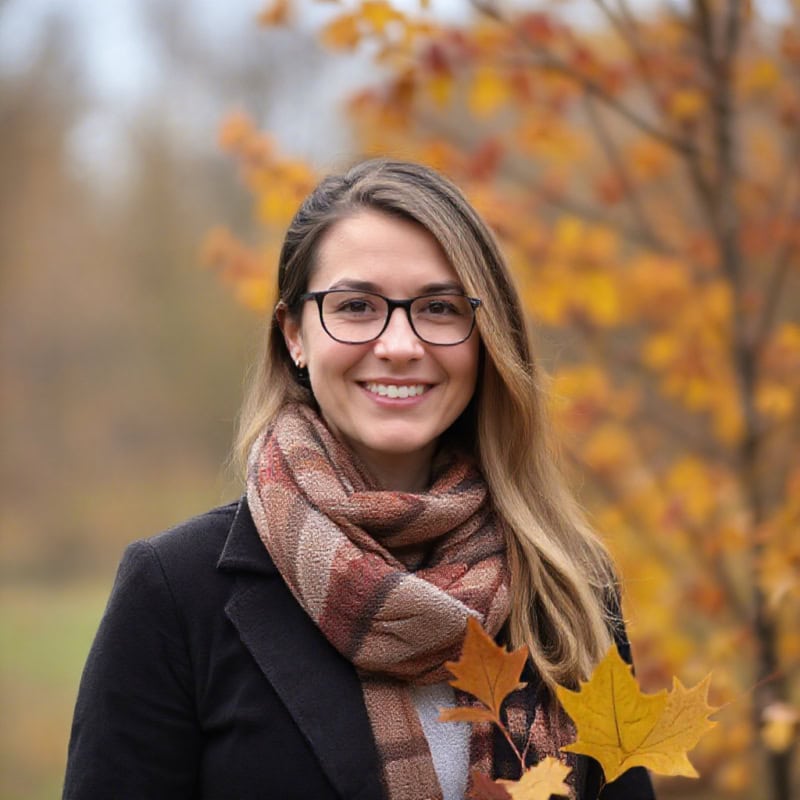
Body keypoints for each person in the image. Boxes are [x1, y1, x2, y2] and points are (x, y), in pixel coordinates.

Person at [63, 159, 655, 800]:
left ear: (484, 337)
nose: (400, 343)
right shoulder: (176, 592)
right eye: (355, 306)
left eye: (438, 307)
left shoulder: (569, 587)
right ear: (294, 335)